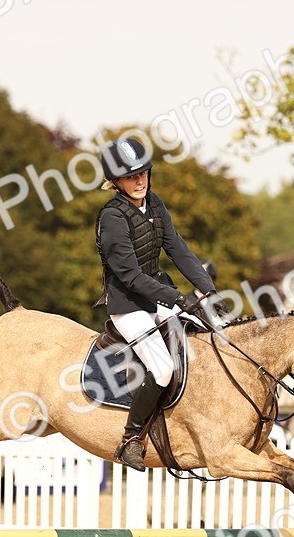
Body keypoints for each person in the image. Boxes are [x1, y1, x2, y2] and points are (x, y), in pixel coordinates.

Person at [94, 136, 230, 471]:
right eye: (130, 177)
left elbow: (179, 251)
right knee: (163, 367)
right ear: (115, 182)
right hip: (128, 305)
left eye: (142, 173)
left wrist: (208, 291)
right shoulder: (112, 217)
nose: (139, 181)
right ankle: (130, 439)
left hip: (158, 298)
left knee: (213, 336)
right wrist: (180, 298)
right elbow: (129, 276)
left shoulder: (155, 204)